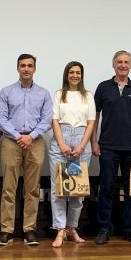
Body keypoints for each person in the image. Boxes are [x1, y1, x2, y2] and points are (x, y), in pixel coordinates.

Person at [0, 54, 52, 246]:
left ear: (35, 69)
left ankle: (29, 229)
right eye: (23, 66)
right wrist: (19, 136)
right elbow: (1, 118)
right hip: (12, 141)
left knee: (32, 188)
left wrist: (31, 136)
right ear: (17, 68)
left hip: (35, 142)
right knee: (9, 188)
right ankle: (7, 230)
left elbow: (47, 119)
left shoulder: (44, 94)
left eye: (30, 66)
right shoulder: (6, 92)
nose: (26, 69)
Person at [91, 50, 131, 245]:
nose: (123, 65)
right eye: (119, 62)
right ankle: (104, 228)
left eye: (126, 62)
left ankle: (130, 228)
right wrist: (93, 141)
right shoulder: (103, 87)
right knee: (106, 188)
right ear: (113, 65)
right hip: (107, 147)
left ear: (130, 65)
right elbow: (95, 116)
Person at [49, 61, 96, 247]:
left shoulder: (88, 96)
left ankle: (71, 228)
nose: (75, 75)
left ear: (82, 75)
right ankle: (59, 230)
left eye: (78, 72)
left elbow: (91, 122)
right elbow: (54, 120)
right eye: (71, 72)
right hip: (62, 139)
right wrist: (62, 144)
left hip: (81, 140)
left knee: (78, 190)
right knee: (58, 189)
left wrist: (82, 146)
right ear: (66, 75)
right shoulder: (59, 95)